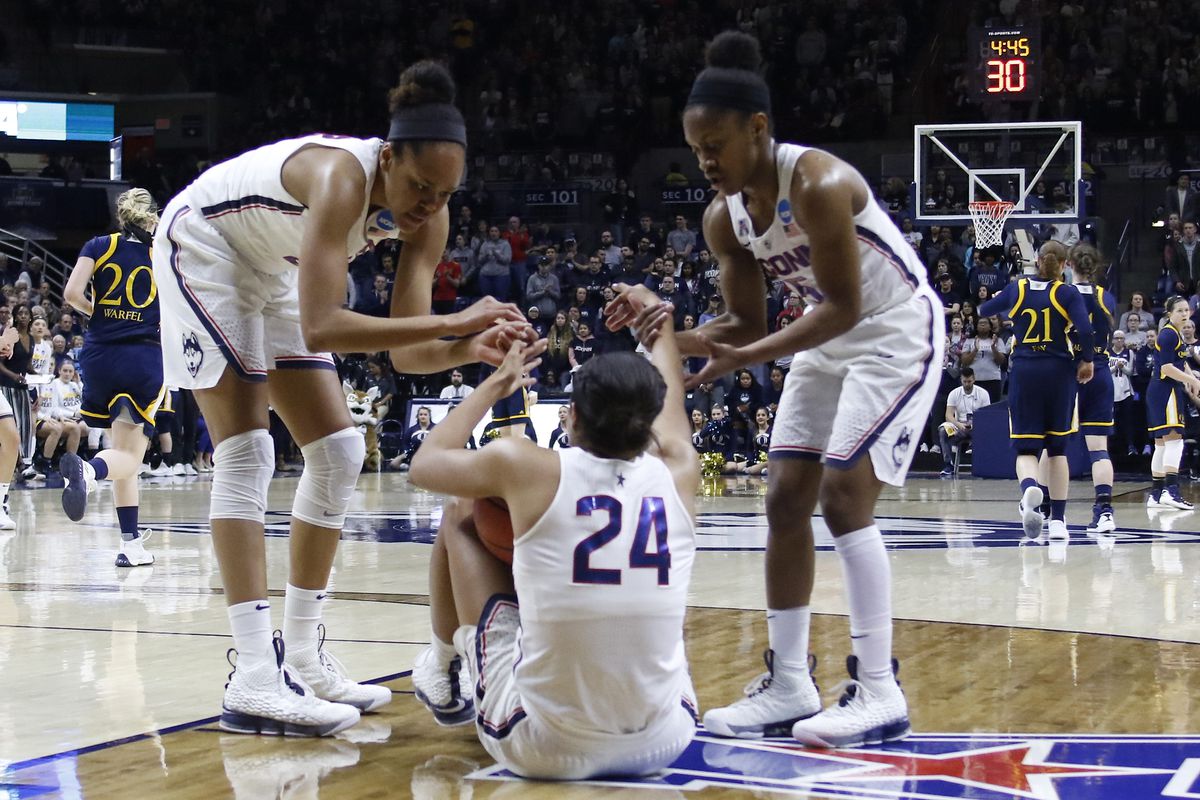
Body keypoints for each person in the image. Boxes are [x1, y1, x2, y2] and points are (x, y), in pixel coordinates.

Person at [140, 61, 533, 738]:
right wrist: (453, 319)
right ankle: (253, 675)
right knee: (246, 452)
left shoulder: (429, 219)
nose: (428, 205)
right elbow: (325, 325)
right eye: (419, 187)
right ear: (388, 159)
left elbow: (406, 355)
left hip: (272, 269)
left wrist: (471, 347)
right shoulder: (340, 177)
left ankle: (303, 655)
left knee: (341, 452)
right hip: (203, 244)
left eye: (444, 194)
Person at [607, 30, 944, 748]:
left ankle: (879, 688)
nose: (705, 161)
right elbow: (743, 322)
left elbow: (842, 307)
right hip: (824, 338)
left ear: (758, 129)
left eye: (715, 146)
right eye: (695, 148)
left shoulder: (817, 182)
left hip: (893, 329)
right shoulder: (722, 217)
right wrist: (664, 328)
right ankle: (789, 682)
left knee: (843, 497)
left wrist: (745, 357)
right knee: (785, 499)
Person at [408, 287, 699, 780]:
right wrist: (658, 322)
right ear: (650, 422)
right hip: (665, 740)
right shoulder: (680, 469)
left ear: (573, 416)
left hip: (544, 746)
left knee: (462, 508)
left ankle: (442, 666)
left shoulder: (525, 466)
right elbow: (669, 400)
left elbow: (425, 465)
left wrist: (497, 384)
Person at [59, 188, 166, 567]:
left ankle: (131, 544)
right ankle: (89, 471)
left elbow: (72, 293)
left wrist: (100, 314)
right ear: (151, 217)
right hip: (142, 355)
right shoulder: (161, 253)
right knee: (130, 458)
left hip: (99, 354)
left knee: (122, 449)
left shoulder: (99, 245)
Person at [979, 241, 1094, 540]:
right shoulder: (1067, 293)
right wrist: (1087, 360)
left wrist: (1000, 300)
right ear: (1065, 264)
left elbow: (984, 310)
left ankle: (1030, 489)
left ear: (1038, 261)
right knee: (1057, 450)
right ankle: (1058, 522)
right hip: (1059, 373)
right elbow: (1085, 330)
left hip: (1025, 371)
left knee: (1027, 448)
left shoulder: (1018, 287)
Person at [1070, 245, 1119, 533]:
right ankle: (1105, 511)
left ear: (1069, 265)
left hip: (1069, 374)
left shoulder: (1063, 294)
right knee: (1099, 450)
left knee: (1053, 447)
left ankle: (1048, 510)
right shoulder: (1106, 297)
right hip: (1100, 373)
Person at [1145, 296, 1200, 510]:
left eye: (1187, 310)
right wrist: (1193, 381)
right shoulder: (1168, 334)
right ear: (1169, 313)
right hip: (1165, 390)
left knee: (1161, 444)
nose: (1185, 314)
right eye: (1180, 311)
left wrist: (1191, 378)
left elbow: (1181, 362)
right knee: (1175, 440)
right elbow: (1167, 368)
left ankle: (1156, 494)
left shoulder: (1175, 333)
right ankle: (1171, 491)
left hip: (1159, 390)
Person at [937, 367, 990, 478]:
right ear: (961, 379)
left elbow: (986, 416)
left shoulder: (983, 394)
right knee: (943, 430)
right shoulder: (954, 393)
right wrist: (959, 425)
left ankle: (977, 453)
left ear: (974, 379)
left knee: (985, 427)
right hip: (959, 426)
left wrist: (974, 424)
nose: (967, 384)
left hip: (977, 426)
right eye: (964, 381)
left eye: (969, 381)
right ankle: (948, 464)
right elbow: (948, 415)